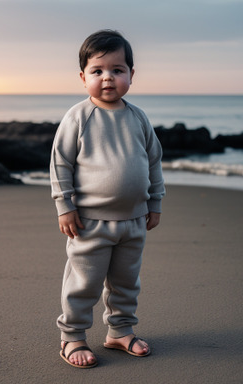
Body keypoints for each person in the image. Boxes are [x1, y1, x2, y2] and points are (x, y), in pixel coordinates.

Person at [50, 29, 165, 369]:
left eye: (118, 70)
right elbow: (60, 163)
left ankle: (120, 330)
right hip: (89, 222)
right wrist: (65, 206)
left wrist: (155, 201)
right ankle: (72, 336)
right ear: (83, 76)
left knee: (127, 282)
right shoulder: (78, 117)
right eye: (98, 71)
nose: (108, 78)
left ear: (131, 75)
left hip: (133, 220)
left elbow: (154, 162)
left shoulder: (138, 118)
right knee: (83, 283)